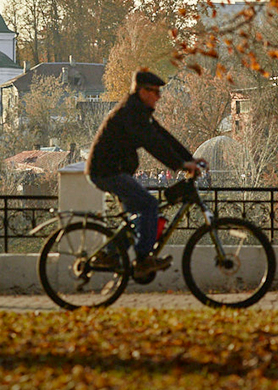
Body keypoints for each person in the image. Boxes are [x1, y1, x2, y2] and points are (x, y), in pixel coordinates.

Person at [85, 67, 202, 279]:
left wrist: (189, 159)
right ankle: (142, 260)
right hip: (106, 172)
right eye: (155, 92)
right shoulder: (131, 113)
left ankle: (109, 255)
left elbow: (163, 136)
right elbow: (153, 143)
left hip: (115, 171)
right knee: (149, 205)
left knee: (136, 220)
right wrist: (181, 165)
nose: (159, 97)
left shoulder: (139, 112)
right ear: (142, 91)